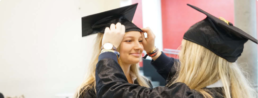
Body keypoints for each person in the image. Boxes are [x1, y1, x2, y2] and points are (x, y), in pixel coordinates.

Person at [95, 4, 258, 98]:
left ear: (198, 59)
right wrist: (153, 52)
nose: (181, 56)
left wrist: (108, 48)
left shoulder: (190, 95)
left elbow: (114, 92)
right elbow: (181, 73)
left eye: (185, 51)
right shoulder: (230, 90)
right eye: (129, 41)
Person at [75, 3, 153, 98]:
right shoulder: (91, 90)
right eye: (129, 41)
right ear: (110, 45)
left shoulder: (144, 83)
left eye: (140, 41)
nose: (139, 47)